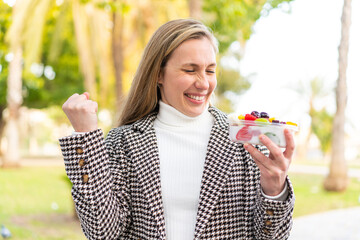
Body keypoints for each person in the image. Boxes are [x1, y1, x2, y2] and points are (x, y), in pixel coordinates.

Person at [60, 19, 295, 240]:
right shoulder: (124, 142)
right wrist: (85, 137)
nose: (204, 83)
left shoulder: (244, 139)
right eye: (190, 70)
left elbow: (271, 236)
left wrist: (274, 192)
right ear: (159, 74)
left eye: (210, 70)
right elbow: (102, 232)